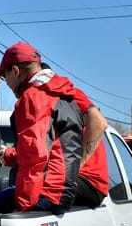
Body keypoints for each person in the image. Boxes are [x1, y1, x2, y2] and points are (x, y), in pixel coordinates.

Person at [0, 42, 84, 214]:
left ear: (15, 70)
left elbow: (35, 156)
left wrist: (23, 208)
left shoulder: (33, 98)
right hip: (60, 193)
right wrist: (9, 154)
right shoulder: (62, 95)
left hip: (44, 194)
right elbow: (51, 148)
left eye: (4, 75)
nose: (5, 81)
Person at [39, 62, 109, 208]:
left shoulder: (67, 94)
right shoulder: (37, 105)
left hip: (88, 182)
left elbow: (99, 124)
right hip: (61, 178)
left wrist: (73, 168)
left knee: (35, 185)